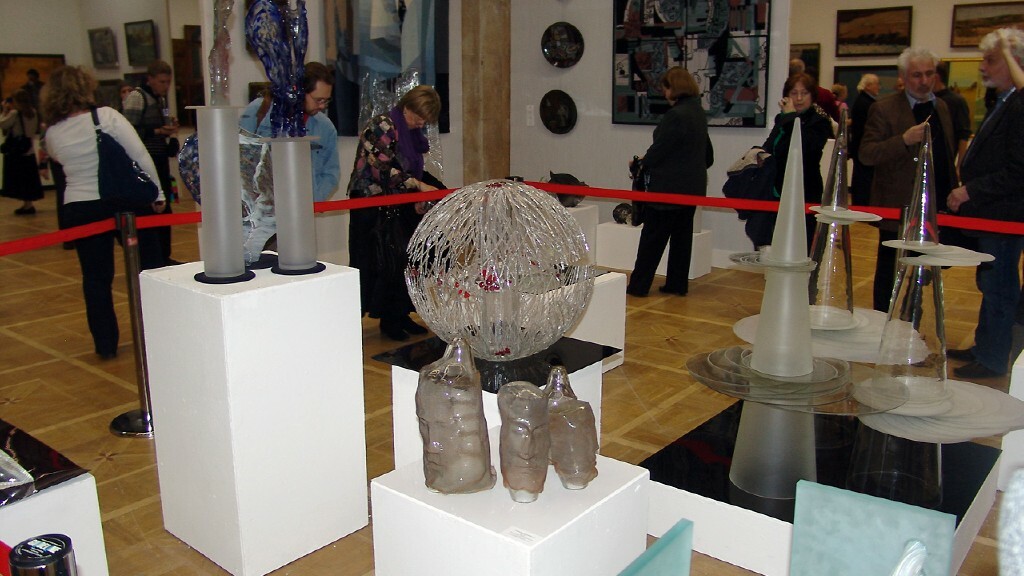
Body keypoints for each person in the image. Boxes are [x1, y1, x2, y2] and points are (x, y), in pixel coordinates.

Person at [41, 66, 166, 360]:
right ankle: (159, 333)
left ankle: (105, 344)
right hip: (121, 200)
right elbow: (139, 155)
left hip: (80, 206)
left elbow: (58, 160)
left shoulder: (53, 132)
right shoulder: (106, 117)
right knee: (149, 269)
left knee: (96, 279)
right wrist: (158, 193)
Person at [945, 29, 1024, 379]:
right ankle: (984, 346)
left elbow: (1018, 171)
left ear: (1013, 62)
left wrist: (971, 191)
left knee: (1000, 288)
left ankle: (992, 358)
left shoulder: (1019, 105)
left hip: (1004, 214)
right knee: (990, 283)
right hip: (992, 213)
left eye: (991, 60)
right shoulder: (1004, 101)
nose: (982, 67)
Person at [859, 47, 958, 313]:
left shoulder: (942, 107)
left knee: (923, 270)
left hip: (932, 206)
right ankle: (883, 320)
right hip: (896, 206)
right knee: (888, 271)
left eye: (929, 73)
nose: (924, 81)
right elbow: (867, 153)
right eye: (917, 75)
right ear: (903, 76)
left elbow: (946, 154)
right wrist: (903, 140)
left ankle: (911, 319)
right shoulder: (884, 108)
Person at [347, 85, 441, 340]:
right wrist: (419, 186)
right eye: (418, 116)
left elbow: (409, 172)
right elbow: (383, 169)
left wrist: (419, 195)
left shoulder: (412, 134)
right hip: (370, 205)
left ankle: (399, 314)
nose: (420, 123)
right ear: (407, 106)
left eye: (424, 120)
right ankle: (380, 320)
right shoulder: (383, 126)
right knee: (377, 264)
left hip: (395, 203)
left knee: (402, 261)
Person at [625, 67, 712, 298]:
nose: (664, 93)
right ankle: (677, 283)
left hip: (668, 188)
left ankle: (639, 286)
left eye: (665, 88)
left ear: (673, 88)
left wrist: (641, 162)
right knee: (682, 239)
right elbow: (708, 155)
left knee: (652, 239)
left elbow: (659, 150)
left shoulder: (676, 115)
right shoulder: (697, 112)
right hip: (691, 188)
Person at [744, 72, 832, 251]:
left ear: (812, 96)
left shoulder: (820, 121)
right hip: (776, 188)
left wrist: (790, 117)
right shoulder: (782, 118)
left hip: (804, 189)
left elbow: (805, 147)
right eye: (794, 93)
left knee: (802, 244)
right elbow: (771, 145)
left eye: (804, 93)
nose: (799, 98)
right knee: (773, 240)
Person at [239, 61, 340, 203]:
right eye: (318, 100)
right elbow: (240, 161)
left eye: (326, 100)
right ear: (300, 92)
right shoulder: (258, 110)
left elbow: (331, 173)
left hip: (302, 208)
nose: (322, 106)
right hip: (261, 207)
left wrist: (312, 199)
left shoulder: (326, 128)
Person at [122, 60, 178, 265]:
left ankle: (164, 254)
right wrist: (157, 131)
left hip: (159, 158)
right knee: (152, 208)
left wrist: (169, 132)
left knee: (165, 207)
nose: (166, 86)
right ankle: (155, 258)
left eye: (168, 82)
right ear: (150, 79)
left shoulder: (160, 100)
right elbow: (128, 131)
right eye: (162, 82)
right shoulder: (137, 98)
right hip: (144, 161)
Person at [0, 89, 44, 215]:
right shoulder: (33, 112)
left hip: (17, 150)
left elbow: (3, 124)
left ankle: (27, 205)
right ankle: (28, 204)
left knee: (19, 178)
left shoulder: (15, 113)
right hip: (29, 148)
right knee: (28, 178)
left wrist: (4, 111)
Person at [934, 61, 973, 173]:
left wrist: (959, 166)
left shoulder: (956, 101)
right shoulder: (924, 99)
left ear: (936, 77)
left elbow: (963, 135)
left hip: (945, 164)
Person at [849, 73, 881, 207]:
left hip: (858, 145)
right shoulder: (867, 104)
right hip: (863, 146)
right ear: (868, 86)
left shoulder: (862, 101)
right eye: (876, 84)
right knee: (864, 180)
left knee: (860, 177)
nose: (879, 87)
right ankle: (862, 204)